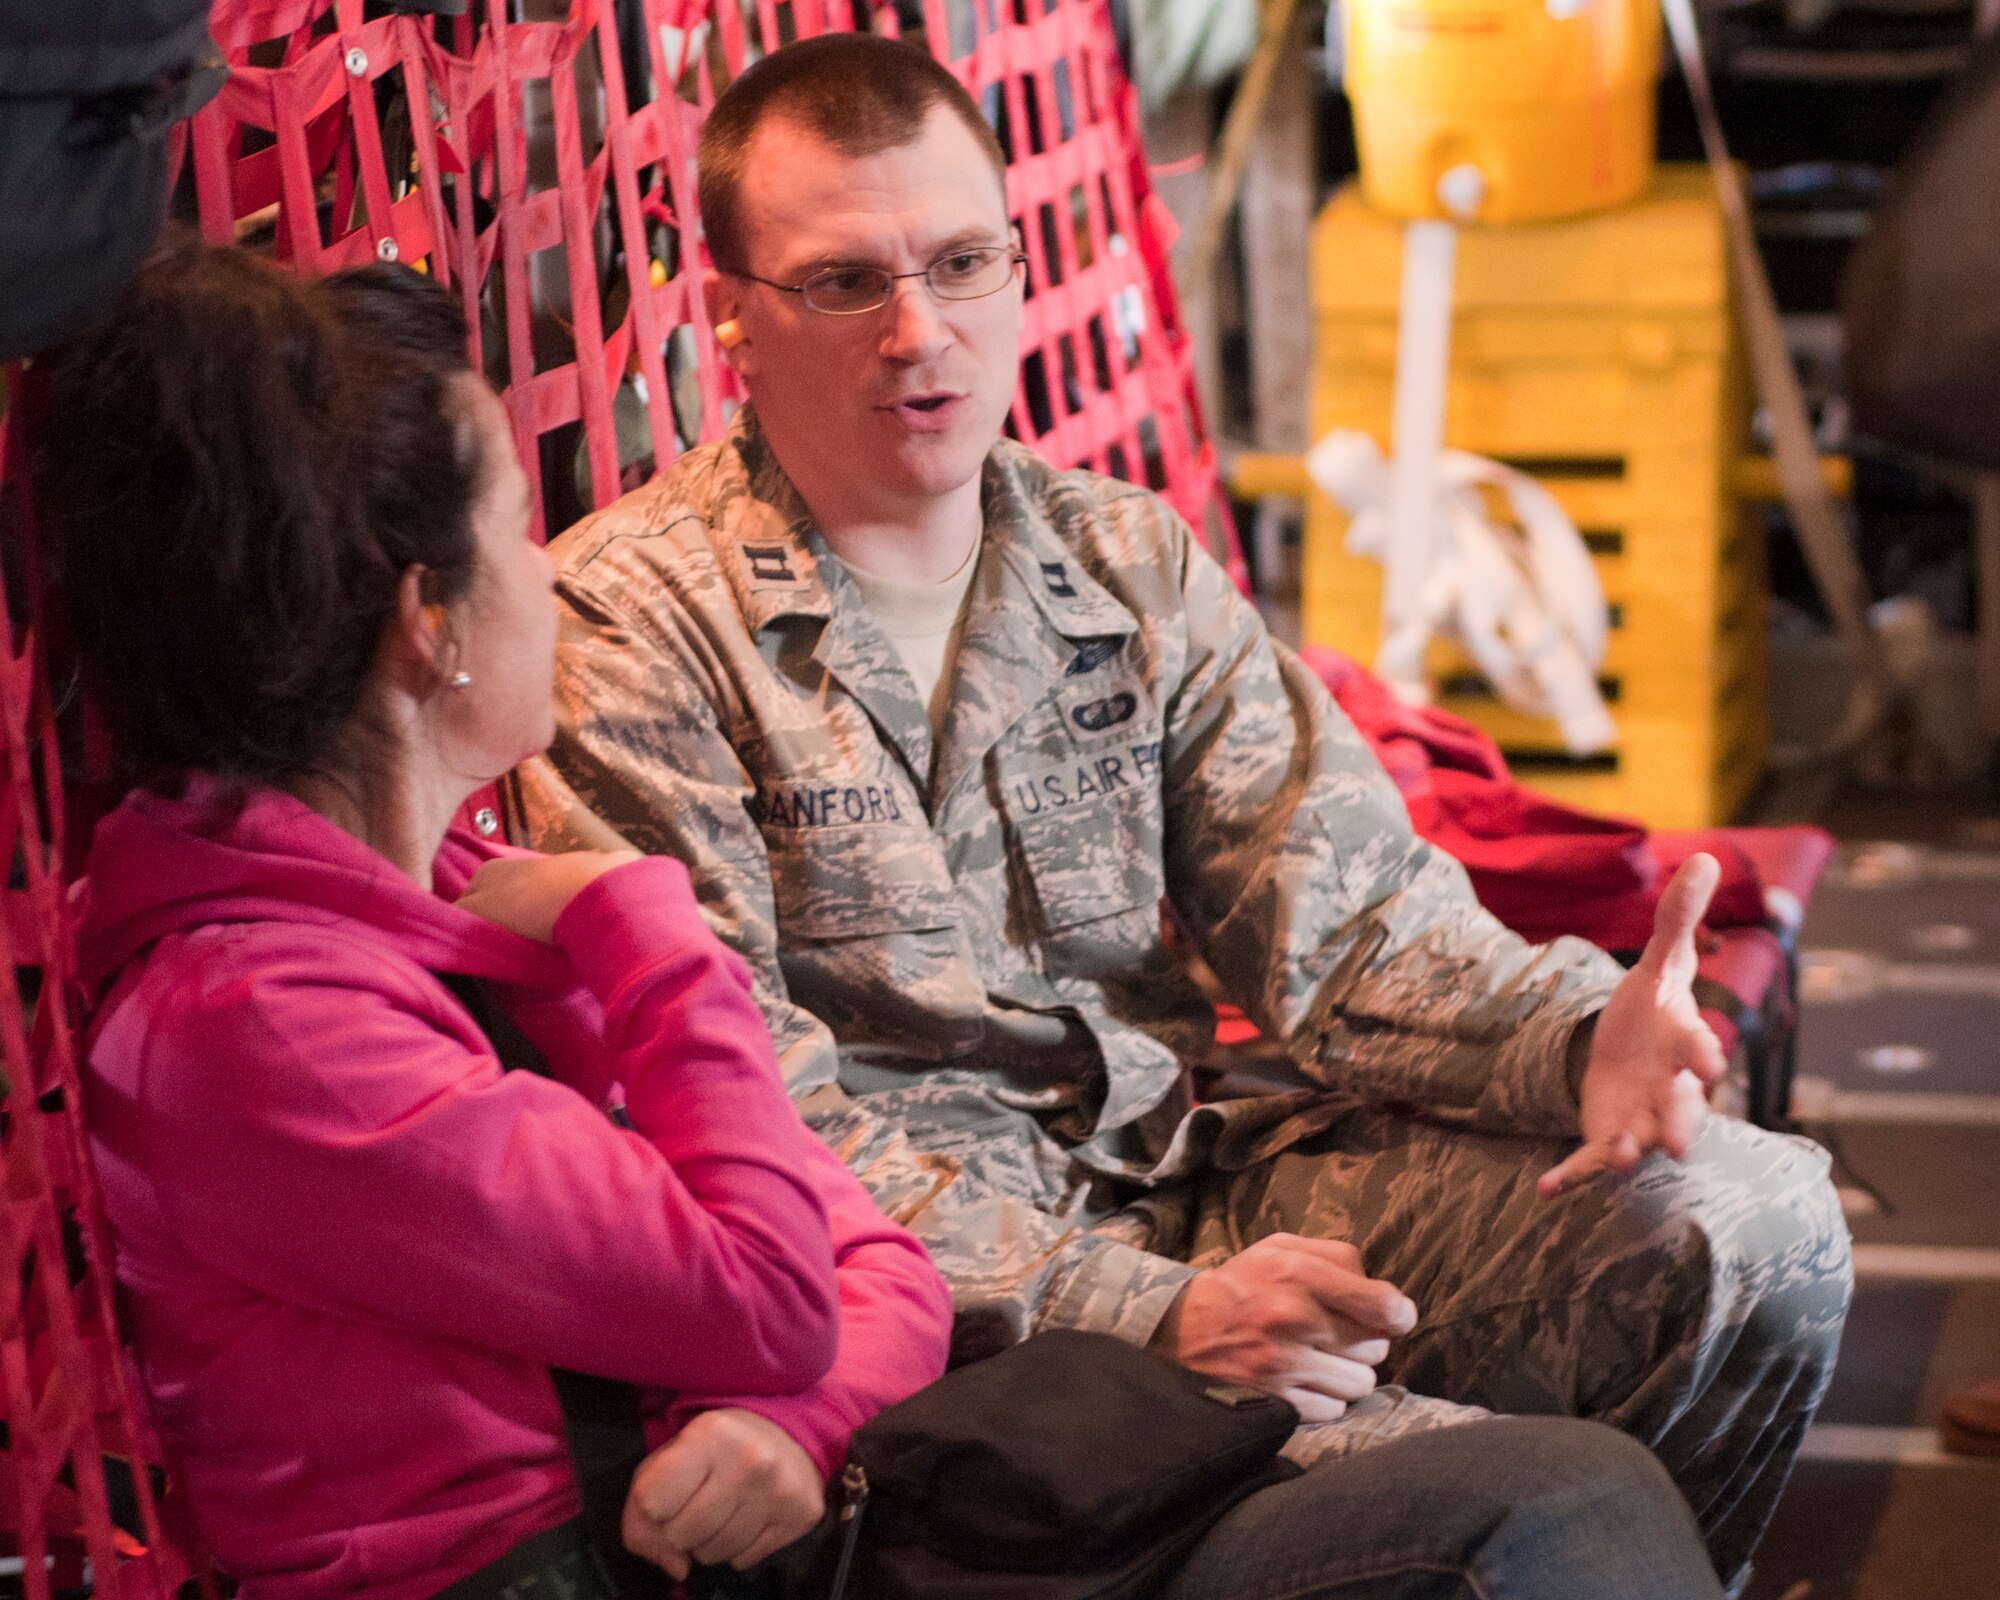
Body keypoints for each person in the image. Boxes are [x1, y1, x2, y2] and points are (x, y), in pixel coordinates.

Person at [513, 32, 1852, 1594]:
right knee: (1532, 1505)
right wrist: (1141, 1313)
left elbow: (1348, 923)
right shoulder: (627, 623)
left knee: (1756, 1222)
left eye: (962, 262)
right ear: (729, 314)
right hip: (934, 1312)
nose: (919, 333)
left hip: (1189, 1182)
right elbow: (747, 1127)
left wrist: (1579, 1037)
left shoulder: (1118, 558)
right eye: (844, 283)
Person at [32, 239, 955, 1600]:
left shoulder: (431, 900)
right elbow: (768, 1291)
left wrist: (792, 1419)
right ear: (426, 622)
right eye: (519, 522)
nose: (547, 573)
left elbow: (875, 1257)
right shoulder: (259, 1033)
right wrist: (646, 927)